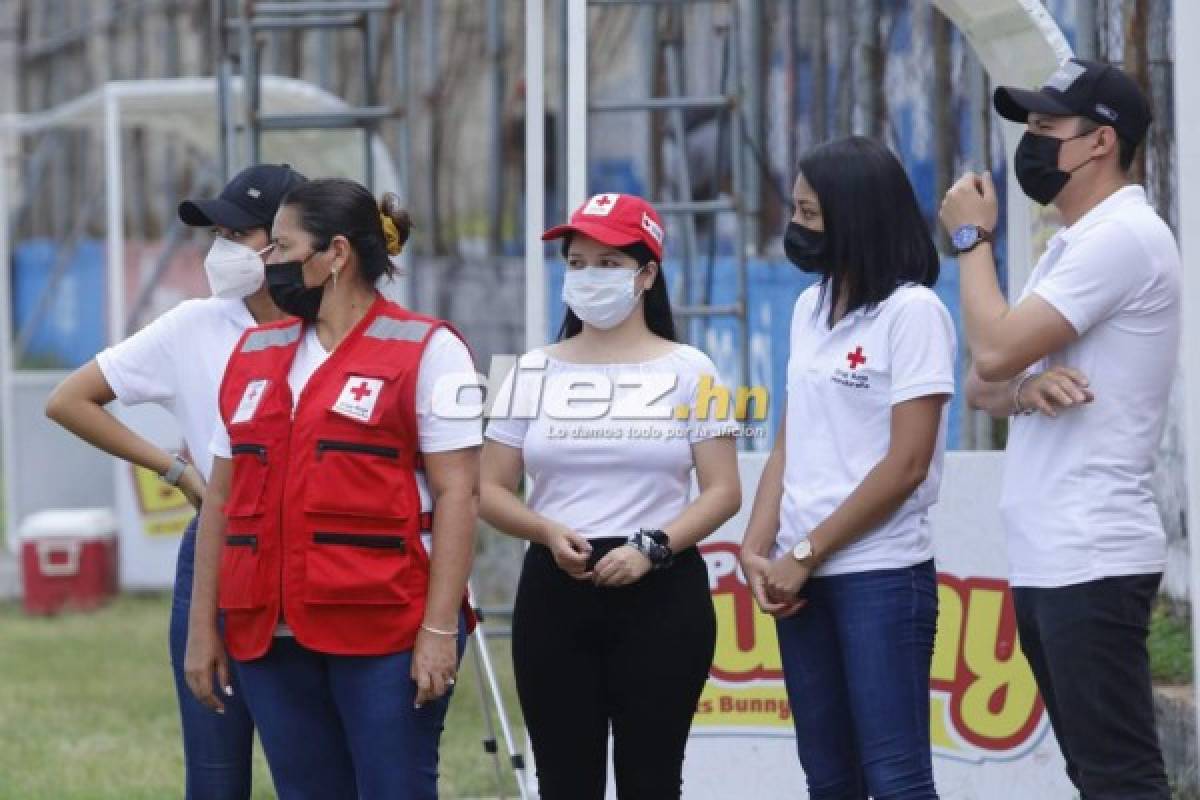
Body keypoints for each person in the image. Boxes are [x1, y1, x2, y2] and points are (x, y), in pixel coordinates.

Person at [184, 179, 481, 799]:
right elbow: (221, 497)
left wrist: (438, 630)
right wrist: (202, 627)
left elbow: (460, 496)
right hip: (270, 637)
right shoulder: (254, 350)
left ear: (336, 254)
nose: (269, 266)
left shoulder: (430, 349)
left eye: (282, 248)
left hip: (386, 634)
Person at [939, 58, 1176, 798]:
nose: (1032, 143)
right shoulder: (1073, 243)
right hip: (1053, 553)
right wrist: (1028, 385)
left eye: (1048, 127)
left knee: (1118, 778)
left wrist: (973, 239)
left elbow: (994, 345)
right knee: (1094, 774)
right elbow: (984, 382)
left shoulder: (1123, 236)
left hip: (1092, 549)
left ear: (1101, 142)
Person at [45, 163, 306, 799]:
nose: (221, 250)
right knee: (215, 774)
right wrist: (179, 471)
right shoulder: (194, 324)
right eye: (216, 233)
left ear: (289, 239)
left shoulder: (326, 327)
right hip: (219, 547)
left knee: (312, 768)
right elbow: (68, 400)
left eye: (238, 234)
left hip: (308, 554)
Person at [479, 193, 741, 799]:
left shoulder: (692, 369)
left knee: (651, 780)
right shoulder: (526, 370)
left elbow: (723, 490)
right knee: (565, 782)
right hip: (555, 590)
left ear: (646, 274)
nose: (587, 277)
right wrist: (544, 530)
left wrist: (653, 547)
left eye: (607, 263)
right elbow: (488, 489)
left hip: (661, 592)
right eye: (576, 263)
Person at [741, 137, 955, 800]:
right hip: (799, 580)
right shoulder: (810, 306)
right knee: (829, 778)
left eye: (809, 215)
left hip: (881, 576)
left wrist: (805, 551)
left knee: (895, 779)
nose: (796, 229)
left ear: (854, 218)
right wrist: (756, 544)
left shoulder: (913, 313)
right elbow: (792, 437)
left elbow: (908, 464)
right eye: (796, 212)